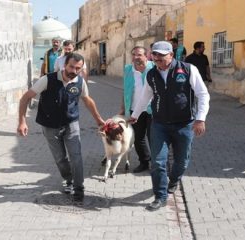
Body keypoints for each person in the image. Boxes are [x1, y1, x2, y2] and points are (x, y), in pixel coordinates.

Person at [129, 41, 210, 211]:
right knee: (158, 162)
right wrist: (135, 115)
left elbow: (203, 95)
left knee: (181, 161)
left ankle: (173, 180)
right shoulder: (151, 74)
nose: (157, 58)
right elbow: (145, 97)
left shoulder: (187, 69)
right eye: (155, 54)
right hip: (160, 124)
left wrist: (200, 119)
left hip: (184, 124)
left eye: (161, 55)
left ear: (171, 55)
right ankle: (160, 196)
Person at [18, 53, 105, 202]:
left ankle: (79, 188)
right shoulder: (48, 79)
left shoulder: (80, 82)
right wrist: (22, 121)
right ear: (64, 64)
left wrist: (99, 120)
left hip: (71, 124)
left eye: (78, 68)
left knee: (76, 157)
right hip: (50, 126)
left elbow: (87, 100)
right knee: (60, 159)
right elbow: (26, 97)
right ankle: (68, 179)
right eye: (71, 66)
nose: (74, 71)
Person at [120, 46, 155, 173]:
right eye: (133, 54)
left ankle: (157, 164)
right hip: (135, 110)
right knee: (138, 138)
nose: (136, 57)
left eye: (139, 55)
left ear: (147, 56)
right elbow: (125, 90)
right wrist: (123, 107)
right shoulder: (128, 70)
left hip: (153, 109)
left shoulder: (154, 68)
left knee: (154, 138)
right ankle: (144, 162)